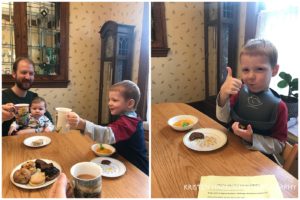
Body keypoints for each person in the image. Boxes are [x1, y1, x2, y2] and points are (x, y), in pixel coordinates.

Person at [216, 38, 288, 156]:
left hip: (259, 161)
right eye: (245, 70)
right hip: (231, 150)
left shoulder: (279, 107)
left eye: (260, 69)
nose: (250, 76)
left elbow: (279, 145)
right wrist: (223, 94)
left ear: (274, 70)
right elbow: (224, 118)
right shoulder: (238, 92)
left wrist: (252, 138)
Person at [67, 80, 149, 175]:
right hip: (124, 162)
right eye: (109, 100)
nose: (109, 103)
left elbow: (107, 134)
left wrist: (82, 124)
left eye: (114, 100)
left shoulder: (129, 123)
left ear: (130, 104)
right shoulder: (128, 118)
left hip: (137, 170)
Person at [2, 57, 53, 136]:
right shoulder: (2, 97)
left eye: (31, 73)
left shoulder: (34, 97)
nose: (28, 77)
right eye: (24, 72)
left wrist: (24, 132)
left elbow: (50, 124)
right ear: (14, 74)